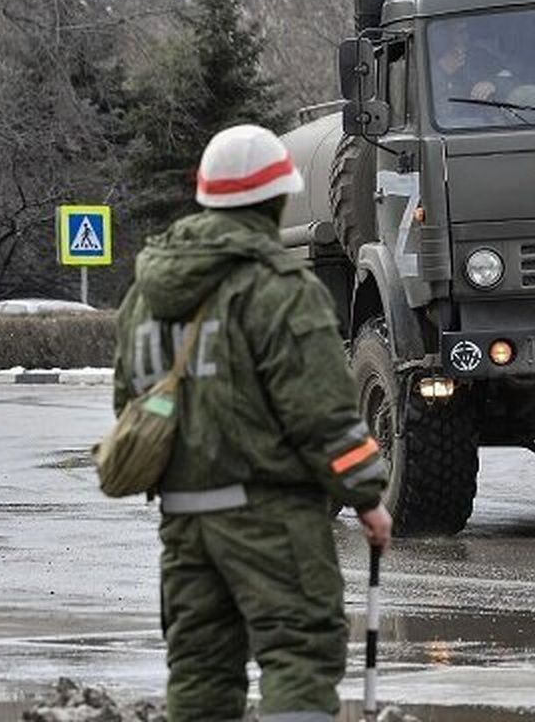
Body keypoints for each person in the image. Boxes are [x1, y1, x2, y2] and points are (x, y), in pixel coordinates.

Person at [112, 124, 393, 722]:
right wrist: (367, 494)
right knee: (299, 656)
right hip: (271, 518)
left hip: (184, 523)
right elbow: (322, 412)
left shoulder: (146, 294)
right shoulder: (280, 289)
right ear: (274, 201)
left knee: (200, 673)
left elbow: (128, 404)